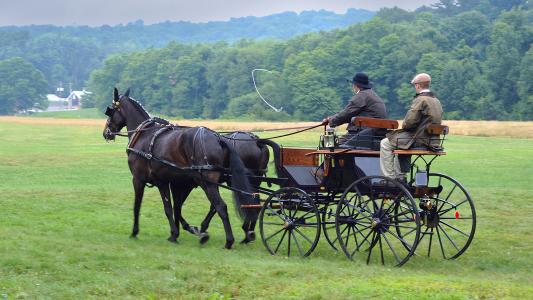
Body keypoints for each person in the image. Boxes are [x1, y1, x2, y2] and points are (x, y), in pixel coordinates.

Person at [379, 73, 443, 181]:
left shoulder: (421, 99)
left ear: (418, 86)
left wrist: (404, 125)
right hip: (433, 141)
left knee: (385, 143)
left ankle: (389, 178)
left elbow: (409, 122)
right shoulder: (436, 101)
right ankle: (400, 177)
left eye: (415, 85)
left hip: (420, 139)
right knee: (399, 143)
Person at [322, 72, 387, 148]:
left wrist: (331, 120)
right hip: (376, 135)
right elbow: (350, 115)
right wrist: (332, 119)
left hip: (362, 134)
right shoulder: (373, 96)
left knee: (331, 145)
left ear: (356, 85)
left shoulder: (362, 96)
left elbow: (347, 113)